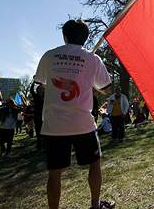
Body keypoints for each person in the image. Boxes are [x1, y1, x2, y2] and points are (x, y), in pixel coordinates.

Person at [34, 19, 114, 209]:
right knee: (94, 164)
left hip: (54, 125)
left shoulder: (50, 55)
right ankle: (95, 205)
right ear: (85, 38)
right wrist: (94, 89)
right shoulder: (92, 59)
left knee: (55, 172)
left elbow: (39, 85)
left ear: (65, 36)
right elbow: (108, 89)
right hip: (82, 123)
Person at [30, 81, 44, 150]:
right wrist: (34, 81)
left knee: (45, 132)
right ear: (37, 90)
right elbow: (31, 90)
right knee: (38, 131)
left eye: (42, 89)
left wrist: (42, 84)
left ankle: (45, 145)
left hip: (45, 117)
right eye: (39, 89)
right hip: (37, 117)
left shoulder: (47, 96)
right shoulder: (36, 97)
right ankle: (39, 145)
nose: (41, 90)